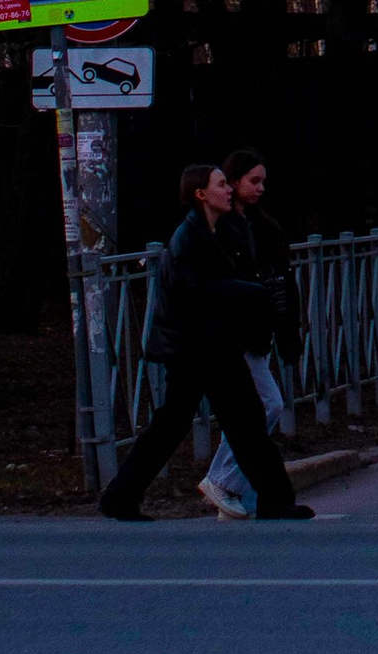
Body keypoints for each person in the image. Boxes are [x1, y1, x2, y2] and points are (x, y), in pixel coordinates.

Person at [98, 164, 313, 522]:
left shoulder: (219, 231)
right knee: (196, 423)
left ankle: (274, 500)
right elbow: (198, 291)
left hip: (213, 343)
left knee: (238, 421)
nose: (228, 190)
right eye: (221, 184)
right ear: (201, 194)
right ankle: (121, 497)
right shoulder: (188, 238)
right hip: (194, 348)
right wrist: (251, 293)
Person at [199, 147, 298, 520]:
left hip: (257, 331)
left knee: (247, 412)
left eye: (263, 182)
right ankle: (221, 480)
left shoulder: (261, 227)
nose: (260, 188)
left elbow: (280, 281)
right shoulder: (221, 229)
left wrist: (285, 328)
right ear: (234, 181)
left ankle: (235, 496)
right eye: (253, 181)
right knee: (267, 405)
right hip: (235, 334)